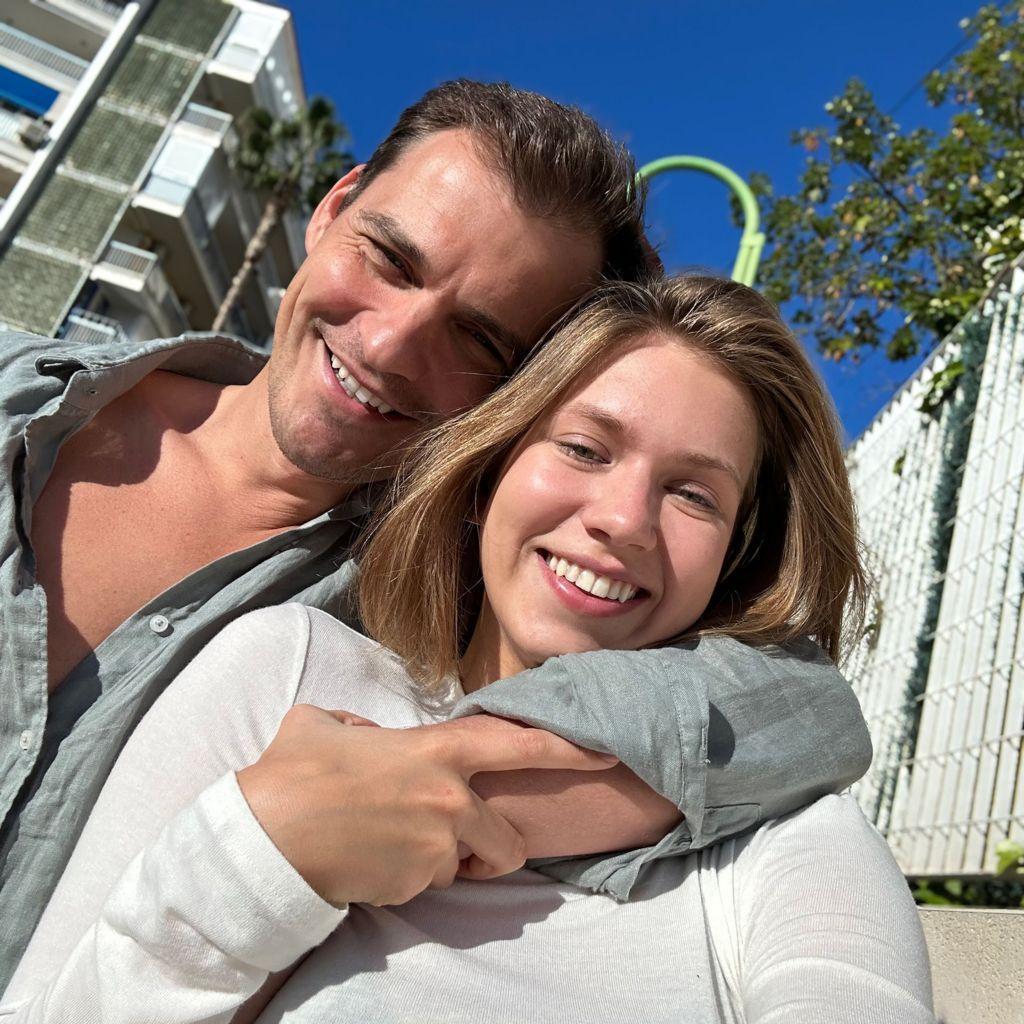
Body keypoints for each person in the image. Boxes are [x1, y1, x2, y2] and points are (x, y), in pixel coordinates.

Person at [0, 78, 871, 990]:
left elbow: (800, 712)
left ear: (517, 401)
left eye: (478, 339)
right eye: (391, 260)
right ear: (336, 207)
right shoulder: (21, 391)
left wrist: (460, 783)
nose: (390, 343)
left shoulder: (409, 605)